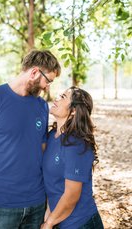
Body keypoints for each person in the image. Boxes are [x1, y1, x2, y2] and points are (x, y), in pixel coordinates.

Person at [0, 49, 61, 229]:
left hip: (37, 204)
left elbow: (42, 153)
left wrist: (50, 200)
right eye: (47, 81)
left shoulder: (42, 106)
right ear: (34, 73)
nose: (48, 87)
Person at [41, 86, 104, 229]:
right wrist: (49, 214)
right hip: (59, 220)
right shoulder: (51, 136)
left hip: (81, 223)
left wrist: (49, 223)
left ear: (74, 110)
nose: (56, 98)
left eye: (63, 97)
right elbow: (53, 183)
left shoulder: (76, 145)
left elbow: (71, 196)